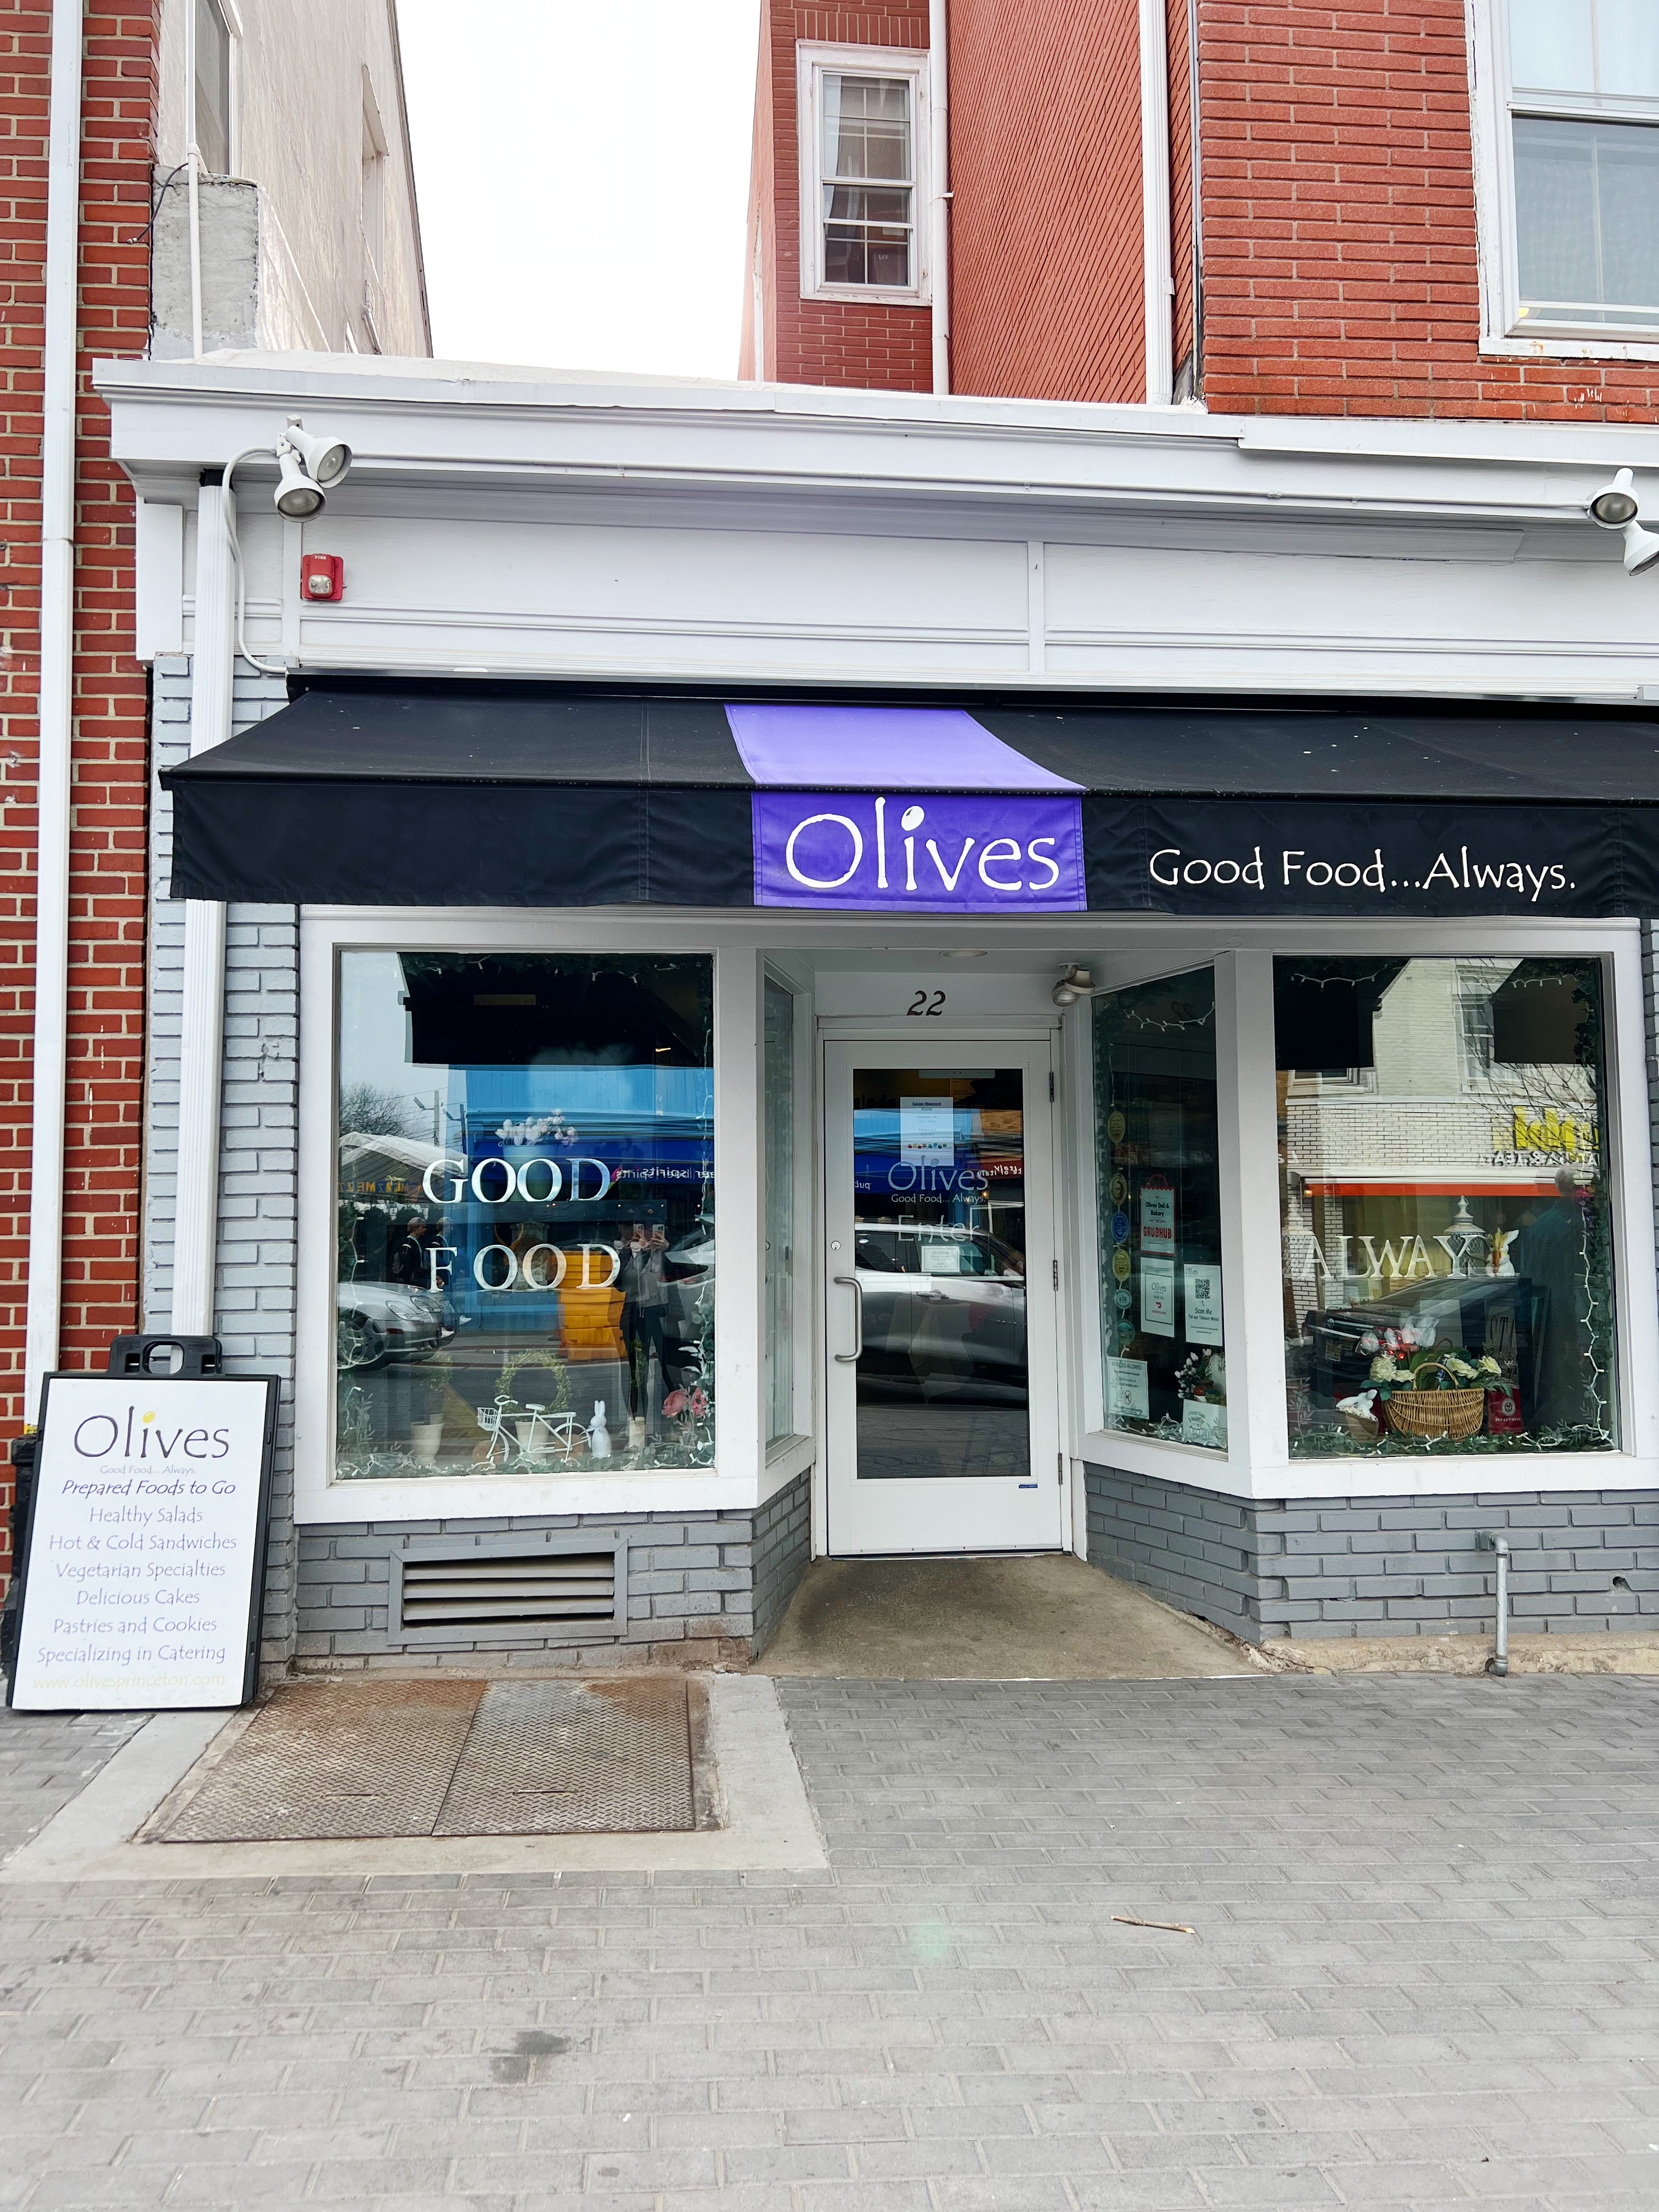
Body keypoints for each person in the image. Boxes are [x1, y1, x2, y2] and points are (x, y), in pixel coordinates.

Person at [1511, 1169, 1590, 1429]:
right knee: (1568, 1369)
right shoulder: (1581, 1223)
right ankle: (1574, 1422)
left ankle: (1549, 1423)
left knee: (1549, 1370)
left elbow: (1529, 1275)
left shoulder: (1540, 1226)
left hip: (1544, 1309)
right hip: (1572, 1310)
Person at [618, 1222, 670, 1424]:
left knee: (669, 1367)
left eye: (653, 1229)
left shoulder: (667, 1249)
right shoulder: (627, 1253)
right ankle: (637, 1422)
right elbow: (621, 1285)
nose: (649, 1235)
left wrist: (666, 1252)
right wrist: (635, 1255)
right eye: (643, 1230)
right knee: (636, 1372)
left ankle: (673, 1422)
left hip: (663, 1315)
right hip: (635, 1315)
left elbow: (680, 1276)